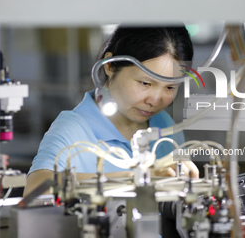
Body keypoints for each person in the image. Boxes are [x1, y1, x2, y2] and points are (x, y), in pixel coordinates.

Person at [24, 25, 199, 196]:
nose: (154, 100)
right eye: (145, 83)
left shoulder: (165, 124)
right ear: (110, 65)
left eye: (170, 87)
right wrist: (135, 179)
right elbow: (35, 187)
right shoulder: (75, 128)